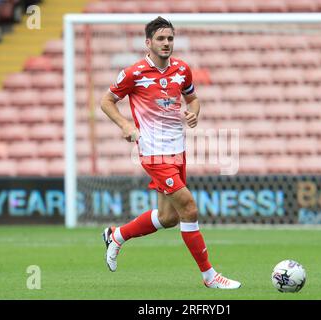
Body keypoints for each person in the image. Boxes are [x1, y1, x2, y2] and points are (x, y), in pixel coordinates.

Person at [100, 16, 241, 289]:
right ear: (148, 42)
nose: (166, 43)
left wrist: (194, 114)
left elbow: (193, 99)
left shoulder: (182, 69)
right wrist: (125, 124)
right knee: (189, 208)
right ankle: (210, 277)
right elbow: (106, 101)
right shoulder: (134, 73)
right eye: (161, 39)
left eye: (170, 38)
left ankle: (116, 235)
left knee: (168, 217)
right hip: (153, 153)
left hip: (178, 150)